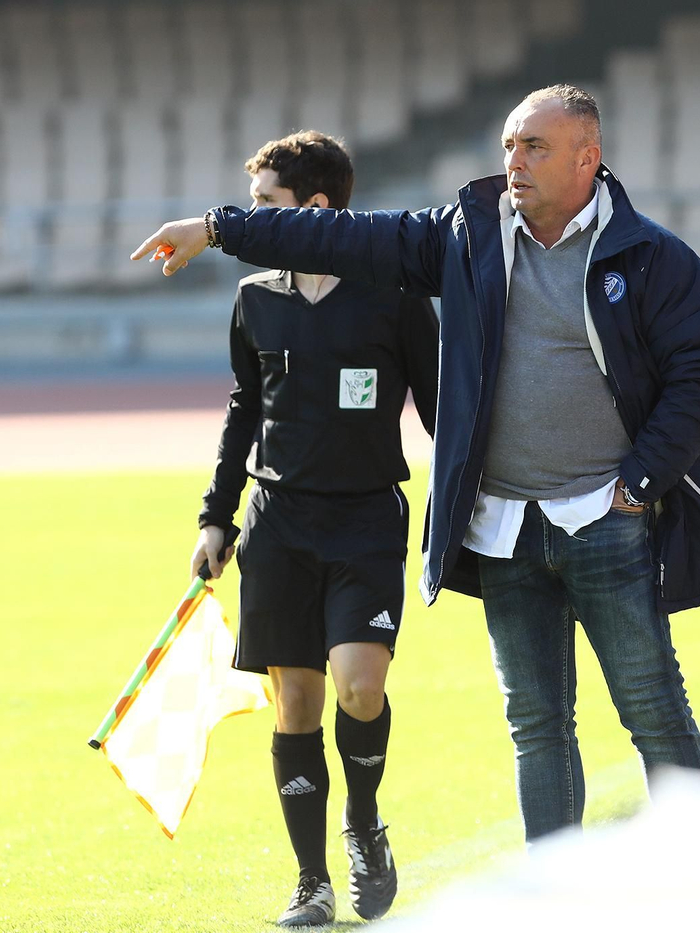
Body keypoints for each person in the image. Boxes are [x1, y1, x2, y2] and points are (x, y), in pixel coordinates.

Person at [138, 85, 700, 846]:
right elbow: (341, 238)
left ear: (587, 157)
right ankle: (554, 891)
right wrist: (215, 228)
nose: (514, 162)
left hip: (607, 520)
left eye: (535, 147)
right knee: (536, 725)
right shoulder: (463, 236)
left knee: (653, 707)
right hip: (504, 530)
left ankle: (696, 873)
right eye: (507, 145)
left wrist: (640, 482)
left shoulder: (654, 257)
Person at [189, 131, 439, 926]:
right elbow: (242, 410)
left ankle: (364, 823)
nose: (251, 218)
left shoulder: (395, 294)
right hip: (278, 523)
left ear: (318, 208)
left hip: (366, 517)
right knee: (295, 708)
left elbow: (442, 410)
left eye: (265, 204)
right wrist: (216, 517)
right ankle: (312, 881)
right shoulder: (256, 296)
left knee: (360, 688)